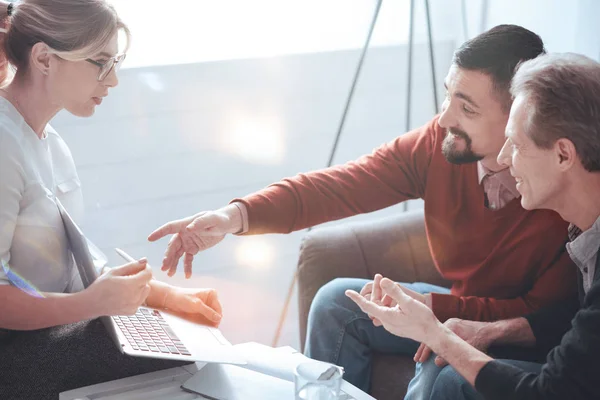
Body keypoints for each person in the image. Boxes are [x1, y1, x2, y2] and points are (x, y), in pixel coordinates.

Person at [147, 25, 577, 395]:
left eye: (466, 108)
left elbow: (545, 320)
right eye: (447, 95)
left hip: (519, 339)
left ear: (517, 118)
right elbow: (339, 185)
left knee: (436, 375)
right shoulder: (437, 145)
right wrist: (232, 217)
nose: (445, 117)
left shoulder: (563, 194)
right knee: (336, 301)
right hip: (457, 307)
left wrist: (431, 314)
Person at [347, 52, 600, 399]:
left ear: (563, 155)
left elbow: (552, 392)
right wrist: (496, 330)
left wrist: (438, 335)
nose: (505, 157)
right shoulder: (585, 230)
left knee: (455, 381)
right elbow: (577, 316)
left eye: (518, 143)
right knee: (338, 303)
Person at [0, 1, 221, 398]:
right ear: (45, 58)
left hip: (46, 333)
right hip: (10, 357)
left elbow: (73, 259)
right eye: (101, 62)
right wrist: (88, 305)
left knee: (185, 341)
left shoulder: (51, 144)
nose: (114, 79)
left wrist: (168, 296)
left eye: (115, 61)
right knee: (189, 364)